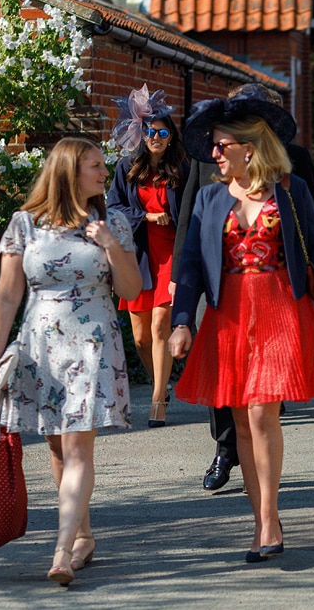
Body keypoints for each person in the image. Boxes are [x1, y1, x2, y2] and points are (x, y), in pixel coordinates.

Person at [170, 92, 314, 563]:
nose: (214, 154)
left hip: (278, 312)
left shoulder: (290, 191)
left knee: (263, 414)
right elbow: (188, 265)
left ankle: (269, 519)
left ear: (248, 148)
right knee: (242, 426)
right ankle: (261, 519)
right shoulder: (209, 198)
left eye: (221, 146)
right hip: (228, 318)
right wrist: (182, 321)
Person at [0, 137, 142, 586]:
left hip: (91, 344)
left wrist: (111, 243)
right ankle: (83, 535)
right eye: (94, 165)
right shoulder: (25, 224)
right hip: (40, 347)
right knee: (56, 445)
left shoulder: (112, 220)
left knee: (76, 447)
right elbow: (8, 293)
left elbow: (131, 291)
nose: (104, 172)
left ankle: (61, 550)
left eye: (102, 165)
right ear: (67, 172)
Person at [106, 86, 188, 427]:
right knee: (140, 337)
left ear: (170, 137)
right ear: (141, 135)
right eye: (151, 132)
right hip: (138, 255)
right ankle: (162, 383)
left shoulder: (181, 170)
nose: (156, 137)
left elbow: (190, 212)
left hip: (170, 253)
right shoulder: (126, 167)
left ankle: (157, 402)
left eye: (163, 132)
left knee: (159, 326)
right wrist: (145, 217)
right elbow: (112, 208)